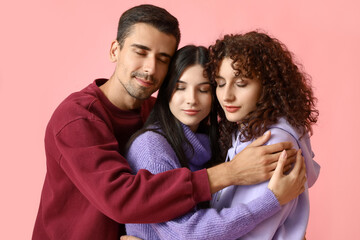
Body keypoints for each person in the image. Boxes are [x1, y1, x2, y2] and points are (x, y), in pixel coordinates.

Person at [32, 4, 300, 240]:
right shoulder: (78, 118)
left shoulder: (161, 114)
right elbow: (122, 199)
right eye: (140, 51)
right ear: (115, 50)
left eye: (162, 59)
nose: (150, 68)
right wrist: (234, 174)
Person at [123, 45, 307, 240]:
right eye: (180, 88)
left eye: (203, 89)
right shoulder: (151, 148)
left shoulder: (215, 145)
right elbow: (186, 233)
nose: (191, 100)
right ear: (166, 92)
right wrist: (272, 201)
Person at [207, 31, 320, 239]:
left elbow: (252, 234)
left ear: (268, 87)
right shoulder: (246, 129)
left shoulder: (274, 143)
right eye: (220, 83)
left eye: (241, 84)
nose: (226, 95)